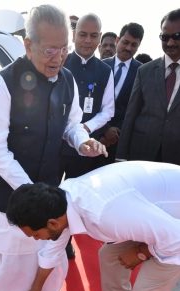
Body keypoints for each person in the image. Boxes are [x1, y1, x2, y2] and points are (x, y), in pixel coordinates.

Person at [0, 4, 107, 291]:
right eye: (50, 49)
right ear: (28, 45)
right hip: (9, 197)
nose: (58, 57)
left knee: (43, 250)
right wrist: (30, 190)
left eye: (64, 48)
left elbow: (72, 125)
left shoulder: (67, 80)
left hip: (49, 191)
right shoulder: (1, 85)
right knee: (5, 257)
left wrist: (82, 142)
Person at [6, 160, 180, 291]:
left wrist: (142, 252)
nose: (35, 239)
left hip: (174, 231)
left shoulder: (104, 214)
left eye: (35, 235)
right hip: (156, 213)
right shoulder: (61, 202)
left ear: (52, 223)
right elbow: (51, 251)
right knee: (109, 256)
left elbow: (175, 237)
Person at [60, 13, 114, 259]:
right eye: (82, 34)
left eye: (93, 36)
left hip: (86, 145)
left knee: (75, 195)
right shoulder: (60, 62)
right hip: (55, 143)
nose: (87, 40)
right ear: (74, 35)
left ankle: (68, 238)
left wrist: (84, 130)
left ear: (100, 38)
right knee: (51, 192)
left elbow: (108, 111)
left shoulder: (104, 71)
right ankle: (53, 239)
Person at [116, 8, 180, 164]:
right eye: (165, 37)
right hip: (141, 156)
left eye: (177, 36)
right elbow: (130, 116)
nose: (170, 42)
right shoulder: (144, 71)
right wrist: (120, 156)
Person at [101, 23, 144, 164]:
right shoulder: (101, 66)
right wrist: (105, 130)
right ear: (117, 40)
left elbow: (138, 110)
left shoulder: (143, 72)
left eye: (134, 45)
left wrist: (115, 132)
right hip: (95, 137)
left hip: (120, 143)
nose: (128, 48)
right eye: (125, 42)